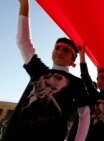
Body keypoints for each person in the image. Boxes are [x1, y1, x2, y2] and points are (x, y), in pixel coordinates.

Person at [1, 0, 90, 141]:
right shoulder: (39, 70)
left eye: (66, 50)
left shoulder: (76, 83)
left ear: (72, 61)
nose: (60, 51)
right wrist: (24, 4)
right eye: (57, 48)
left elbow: (85, 114)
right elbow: (22, 42)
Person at [68, 45, 104, 141]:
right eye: (98, 78)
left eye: (102, 78)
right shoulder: (94, 95)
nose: (99, 81)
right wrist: (82, 55)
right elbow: (86, 77)